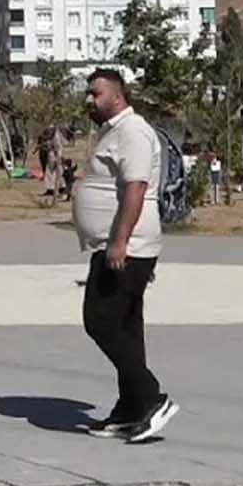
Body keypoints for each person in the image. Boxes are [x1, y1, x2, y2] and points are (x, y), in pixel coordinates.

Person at [73, 69, 177, 443]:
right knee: (127, 327)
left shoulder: (132, 131)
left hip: (125, 246)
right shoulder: (114, 132)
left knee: (100, 321)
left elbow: (135, 188)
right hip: (119, 245)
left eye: (95, 93)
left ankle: (150, 397)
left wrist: (119, 241)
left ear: (117, 95)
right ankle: (131, 408)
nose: (89, 99)